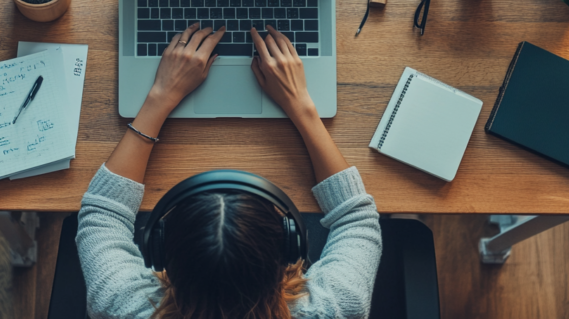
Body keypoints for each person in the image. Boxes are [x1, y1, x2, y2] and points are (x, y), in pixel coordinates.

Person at [76, 23, 383, 319]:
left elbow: (102, 214)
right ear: (290, 248)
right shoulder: (339, 306)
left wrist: (161, 96)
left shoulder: (118, 304)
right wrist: (301, 105)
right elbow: (357, 218)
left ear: (159, 249)